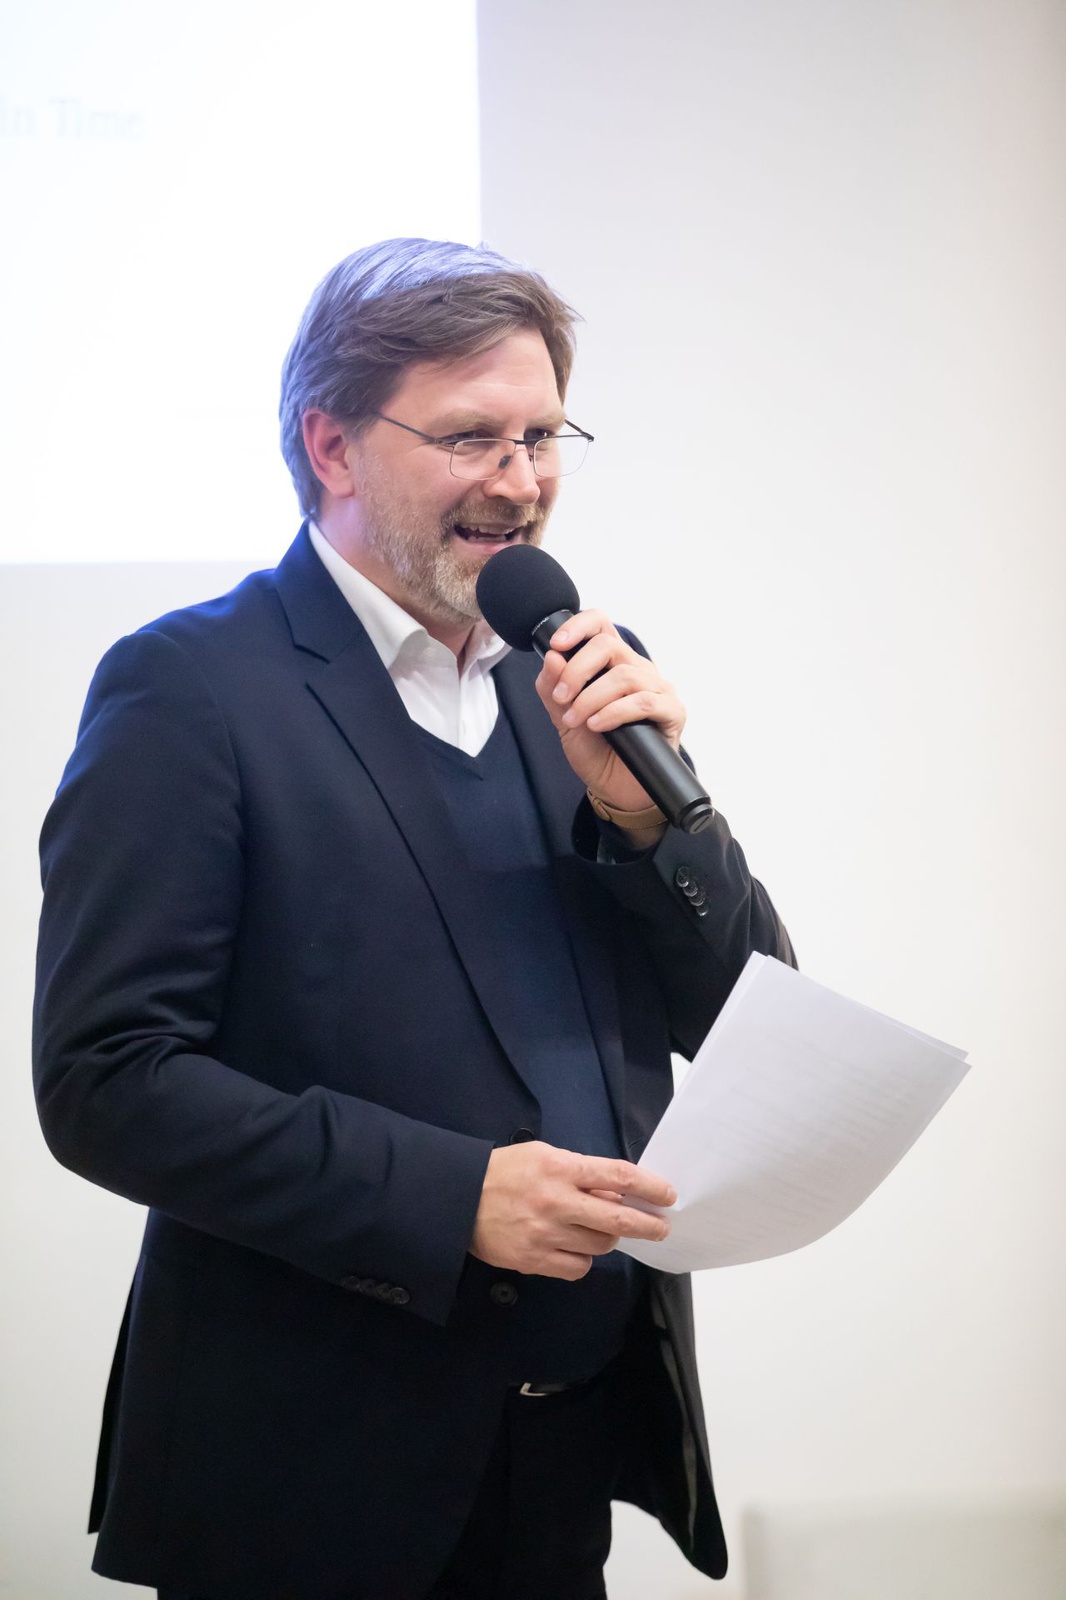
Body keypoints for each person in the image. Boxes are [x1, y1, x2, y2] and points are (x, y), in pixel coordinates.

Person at [33, 238, 794, 1600]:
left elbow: (754, 1015)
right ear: (330, 446)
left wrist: (647, 821)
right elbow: (108, 1082)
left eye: (542, 436)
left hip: (564, 1449)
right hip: (306, 1481)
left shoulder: (574, 684)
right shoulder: (191, 689)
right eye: (468, 438)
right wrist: (454, 1200)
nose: (520, 481)